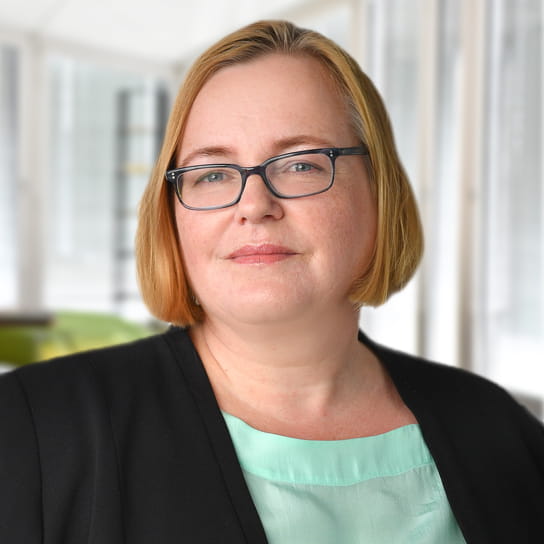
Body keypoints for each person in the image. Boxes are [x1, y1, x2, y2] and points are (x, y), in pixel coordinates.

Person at [1, 20, 543, 544]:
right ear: (172, 214)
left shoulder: (499, 431)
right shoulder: (30, 430)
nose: (253, 205)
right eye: (213, 174)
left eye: (301, 164)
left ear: (380, 192)